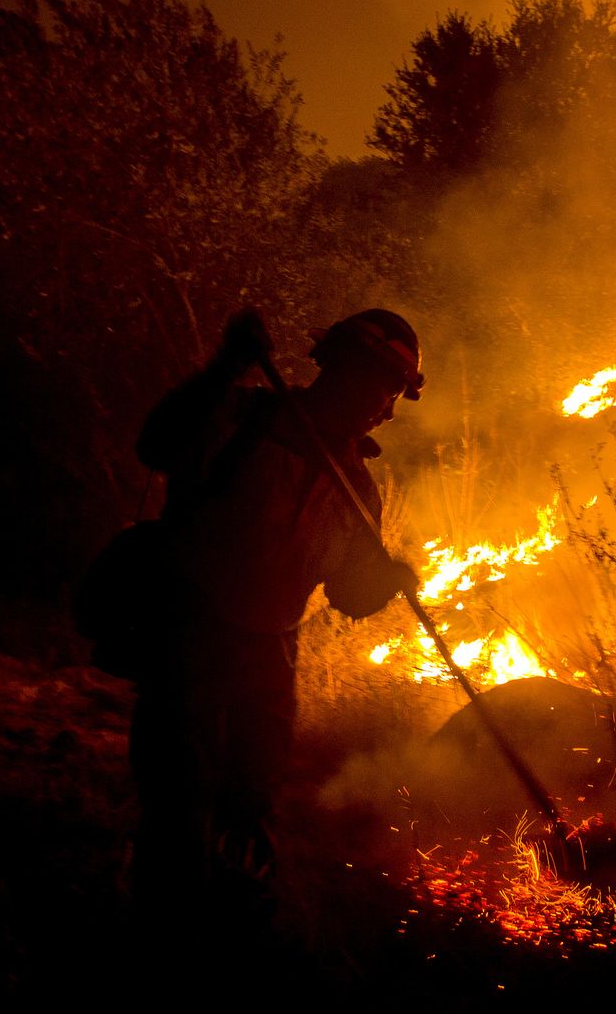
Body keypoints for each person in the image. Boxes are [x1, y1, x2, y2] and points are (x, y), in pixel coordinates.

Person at [127, 307, 423, 939]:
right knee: (180, 796)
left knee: (249, 801)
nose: (388, 410)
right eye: (385, 389)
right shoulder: (240, 418)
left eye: (396, 396)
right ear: (343, 369)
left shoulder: (357, 485)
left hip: (270, 656)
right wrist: (223, 367)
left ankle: (235, 935)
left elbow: (347, 595)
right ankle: (161, 932)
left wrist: (389, 582)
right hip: (191, 633)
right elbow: (156, 445)